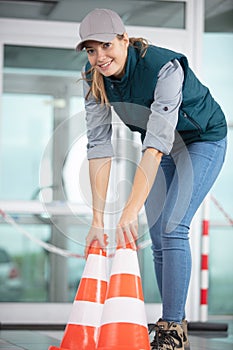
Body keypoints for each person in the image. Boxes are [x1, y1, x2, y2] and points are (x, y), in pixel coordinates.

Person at [76, 8, 227, 350]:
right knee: (159, 236)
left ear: (124, 40)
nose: (99, 56)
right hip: (164, 147)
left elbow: (155, 145)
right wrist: (98, 219)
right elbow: (99, 146)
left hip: (202, 139)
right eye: (90, 49)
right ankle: (170, 322)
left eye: (106, 46)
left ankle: (172, 328)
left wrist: (130, 210)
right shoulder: (93, 76)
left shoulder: (164, 67)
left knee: (173, 227)